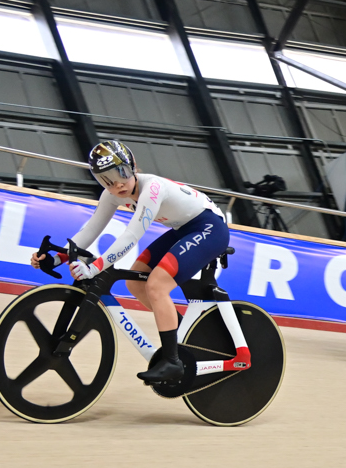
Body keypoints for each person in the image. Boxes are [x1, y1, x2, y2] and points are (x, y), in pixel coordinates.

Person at [33, 138, 229, 386]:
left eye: (121, 173)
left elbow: (131, 235)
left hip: (210, 227)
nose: (116, 184)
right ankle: (186, 337)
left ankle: (172, 361)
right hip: (183, 228)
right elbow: (91, 229)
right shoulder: (111, 195)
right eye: (106, 179)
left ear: (133, 165)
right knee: (136, 281)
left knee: (156, 284)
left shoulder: (152, 188)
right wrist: (57, 257)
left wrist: (95, 267)